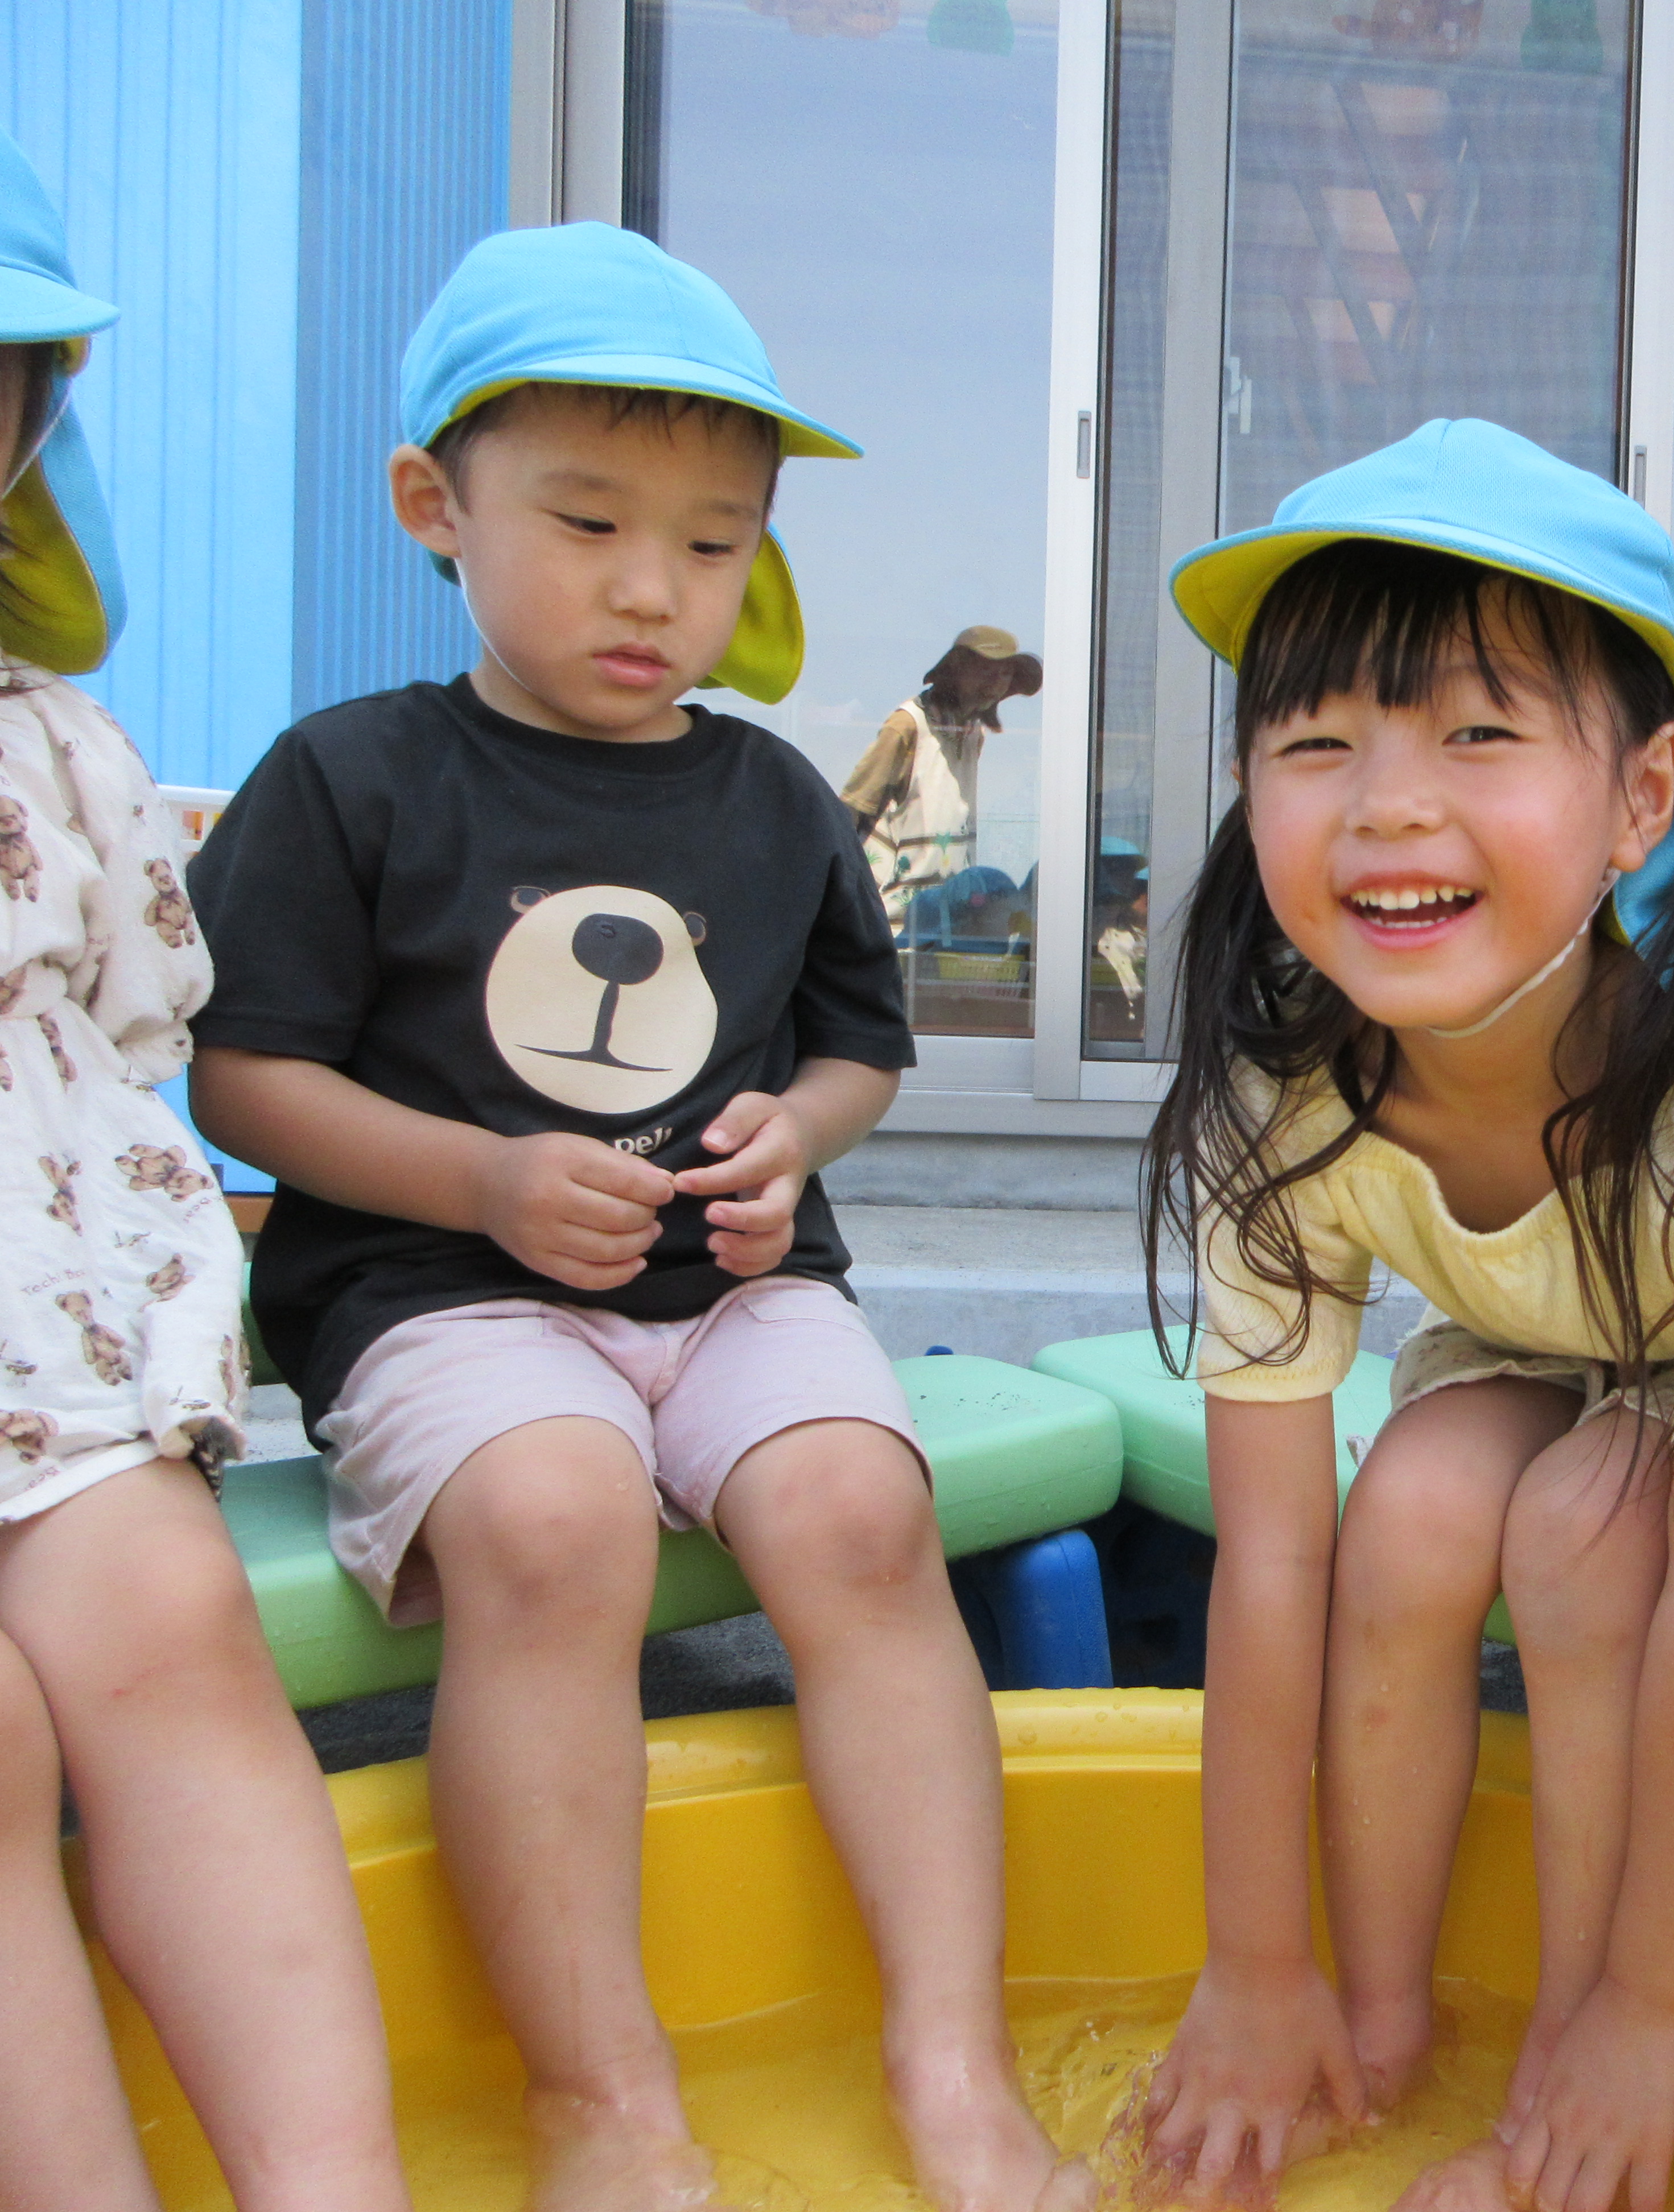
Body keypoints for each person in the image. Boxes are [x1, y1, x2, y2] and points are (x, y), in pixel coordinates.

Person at [185, 224, 1087, 2212]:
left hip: (735, 1286)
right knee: (556, 1521)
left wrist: (794, 1133)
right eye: (588, 522)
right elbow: (240, 1074)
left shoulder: (771, 798)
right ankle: (601, 2093)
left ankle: (952, 2051)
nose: (651, 587)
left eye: (711, 543)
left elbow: (859, 1047)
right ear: (436, 504)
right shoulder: (351, 778)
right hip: (441, 1291)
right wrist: (480, 1176)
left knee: (861, 1512)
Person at [1140, 418, 1674, 2212]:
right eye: (1317, 743)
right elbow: (1272, 1560)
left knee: (1592, 1536)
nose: (1388, 805)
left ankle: (1571, 2055)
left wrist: (1648, 2015)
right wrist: (1253, 1965)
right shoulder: (1283, 1100)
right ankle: (1380, 2030)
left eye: (1478, 732)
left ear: (1641, 797)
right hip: (1559, 1334)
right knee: (1411, 1509)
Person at [0, 130, 412, 2212]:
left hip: (36, 1353)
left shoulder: (48, 741)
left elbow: (140, 1013)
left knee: (172, 1633)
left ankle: (333, 2186)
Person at [840, 622, 1043, 937]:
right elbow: (851, 810)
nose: (996, 684)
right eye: (986, 671)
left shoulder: (972, 733)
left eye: (1005, 674)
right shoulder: (909, 725)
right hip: (893, 922)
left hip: (951, 919)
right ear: (955, 670)